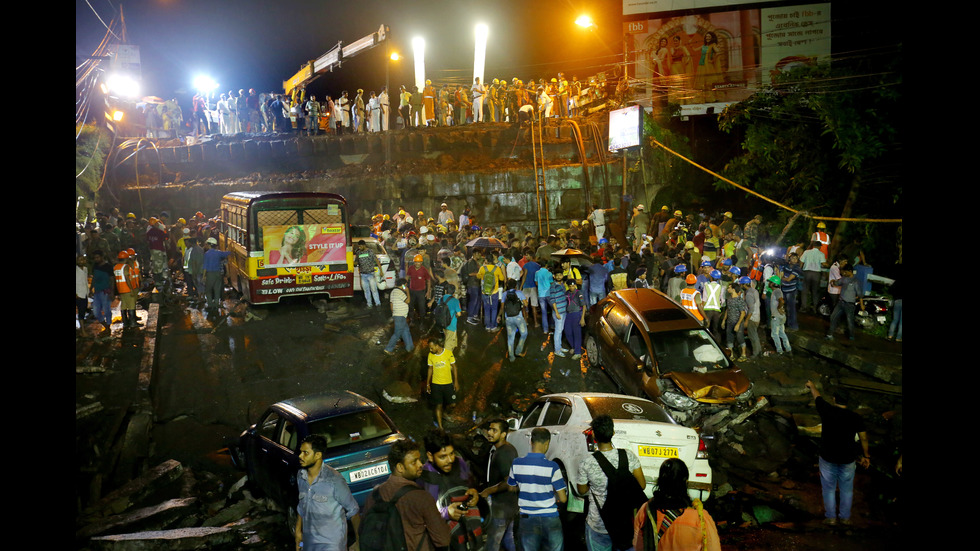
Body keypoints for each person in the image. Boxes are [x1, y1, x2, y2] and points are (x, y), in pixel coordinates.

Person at [360, 438, 451, 551]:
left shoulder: (374, 496)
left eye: (419, 460)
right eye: (414, 462)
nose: (420, 464)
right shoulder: (421, 497)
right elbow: (443, 539)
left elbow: (362, 529)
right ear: (400, 467)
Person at [576, 415, 646, 551]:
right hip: (624, 524)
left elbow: (582, 490)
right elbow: (641, 485)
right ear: (613, 433)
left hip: (598, 524)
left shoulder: (587, 463)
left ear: (594, 435)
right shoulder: (629, 456)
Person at [805, 381, 870, 526]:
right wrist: (866, 456)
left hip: (828, 458)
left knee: (828, 488)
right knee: (847, 489)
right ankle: (845, 518)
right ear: (848, 402)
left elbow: (817, 397)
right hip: (848, 459)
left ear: (834, 399)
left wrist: (812, 386)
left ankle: (831, 518)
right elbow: (864, 438)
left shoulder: (826, 410)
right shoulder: (856, 417)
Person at [632, 458, 721, 551]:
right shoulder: (701, 518)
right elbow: (713, 548)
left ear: (660, 481)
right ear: (685, 482)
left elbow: (638, 546)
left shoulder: (646, 510)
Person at [507, 428, 567, 551]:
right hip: (550, 519)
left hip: (527, 518)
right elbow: (563, 498)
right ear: (547, 443)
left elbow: (511, 488)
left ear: (531, 441)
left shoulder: (516, 463)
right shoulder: (553, 467)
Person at [295, 435, 359, 551]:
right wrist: (298, 532)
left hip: (332, 545)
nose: (300, 456)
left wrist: (358, 542)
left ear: (318, 455)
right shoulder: (301, 476)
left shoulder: (334, 480)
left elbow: (353, 511)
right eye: (300, 452)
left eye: (305, 453)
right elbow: (301, 506)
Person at [480, 418, 519, 551]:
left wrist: (488, 491)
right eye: (489, 429)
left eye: (494, 430)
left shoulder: (503, 453)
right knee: (508, 541)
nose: (490, 433)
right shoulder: (506, 449)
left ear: (503, 434)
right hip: (509, 506)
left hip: (501, 508)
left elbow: (509, 481)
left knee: (492, 544)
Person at [426, 337, 458, 430]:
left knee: (453, 404)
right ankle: (440, 427)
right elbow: (430, 369)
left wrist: (456, 381)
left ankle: (444, 413)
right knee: (438, 405)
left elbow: (454, 367)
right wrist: (428, 384)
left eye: (432, 348)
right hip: (436, 385)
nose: (430, 350)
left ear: (437, 346)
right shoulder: (430, 355)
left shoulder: (448, 353)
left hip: (448, 384)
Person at [826, 266, 864, 341]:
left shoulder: (856, 281)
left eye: (845, 272)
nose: (844, 273)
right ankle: (829, 334)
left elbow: (860, 294)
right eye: (843, 272)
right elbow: (836, 283)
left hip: (849, 304)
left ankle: (851, 336)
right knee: (833, 317)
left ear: (850, 271)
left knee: (850, 321)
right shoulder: (844, 278)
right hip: (841, 302)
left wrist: (862, 305)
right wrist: (832, 282)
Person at [500, 280, 529, 363]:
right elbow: (526, 304)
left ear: (507, 286)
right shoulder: (519, 293)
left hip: (508, 318)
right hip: (518, 317)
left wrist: (499, 316)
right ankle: (518, 351)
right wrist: (525, 300)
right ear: (516, 286)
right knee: (524, 333)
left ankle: (511, 357)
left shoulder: (504, 294)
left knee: (510, 338)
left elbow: (502, 308)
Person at [384, 278, 413, 355]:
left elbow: (391, 303)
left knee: (405, 330)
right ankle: (388, 349)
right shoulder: (400, 292)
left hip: (399, 315)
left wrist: (394, 313)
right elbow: (408, 301)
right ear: (404, 285)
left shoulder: (393, 291)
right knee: (397, 333)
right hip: (400, 315)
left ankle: (409, 347)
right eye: (406, 285)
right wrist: (407, 291)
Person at [202, 237, 230, 312]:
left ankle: (210, 304)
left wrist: (204, 276)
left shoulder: (207, 254)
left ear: (209, 245)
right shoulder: (218, 252)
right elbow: (227, 253)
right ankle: (217, 304)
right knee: (217, 289)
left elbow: (205, 266)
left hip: (210, 274)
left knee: (208, 290)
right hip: (218, 273)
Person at [800, 240, 827, 313]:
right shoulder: (821, 254)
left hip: (807, 272)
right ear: (819, 247)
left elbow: (801, 262)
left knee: (805, 291)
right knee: (815, 292)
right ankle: (815, 308)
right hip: (816, 274)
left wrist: (800, 271)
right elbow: (824, 264)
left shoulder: (806, 252)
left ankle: (804, 307)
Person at [356, 240, 382, 308]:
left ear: (364, 245)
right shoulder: (358, 253)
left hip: (371, 274)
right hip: (363, 275)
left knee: (374, 289)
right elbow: (356, 262)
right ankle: (369, 304)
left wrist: (381, 271)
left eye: (360, 246)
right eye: (358, 246)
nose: (359, 247)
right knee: (366, 291)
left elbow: (376, 260)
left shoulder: (370, 252)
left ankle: (378, 304)